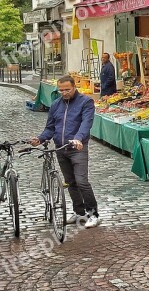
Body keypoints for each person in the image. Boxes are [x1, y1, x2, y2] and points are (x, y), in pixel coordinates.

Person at [31, 76, 99, 228]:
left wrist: (78, 138)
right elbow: (50, 127)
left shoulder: (86, 102)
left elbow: (86, 123)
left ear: (74, 87)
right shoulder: (55, 105)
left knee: (82, 181)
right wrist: (40, 139)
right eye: (61, 90)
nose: (64, 93)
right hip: (60, 149)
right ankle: (79, 212)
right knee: (71, 182)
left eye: (67, 89)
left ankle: (93, 214)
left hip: (77, 148)